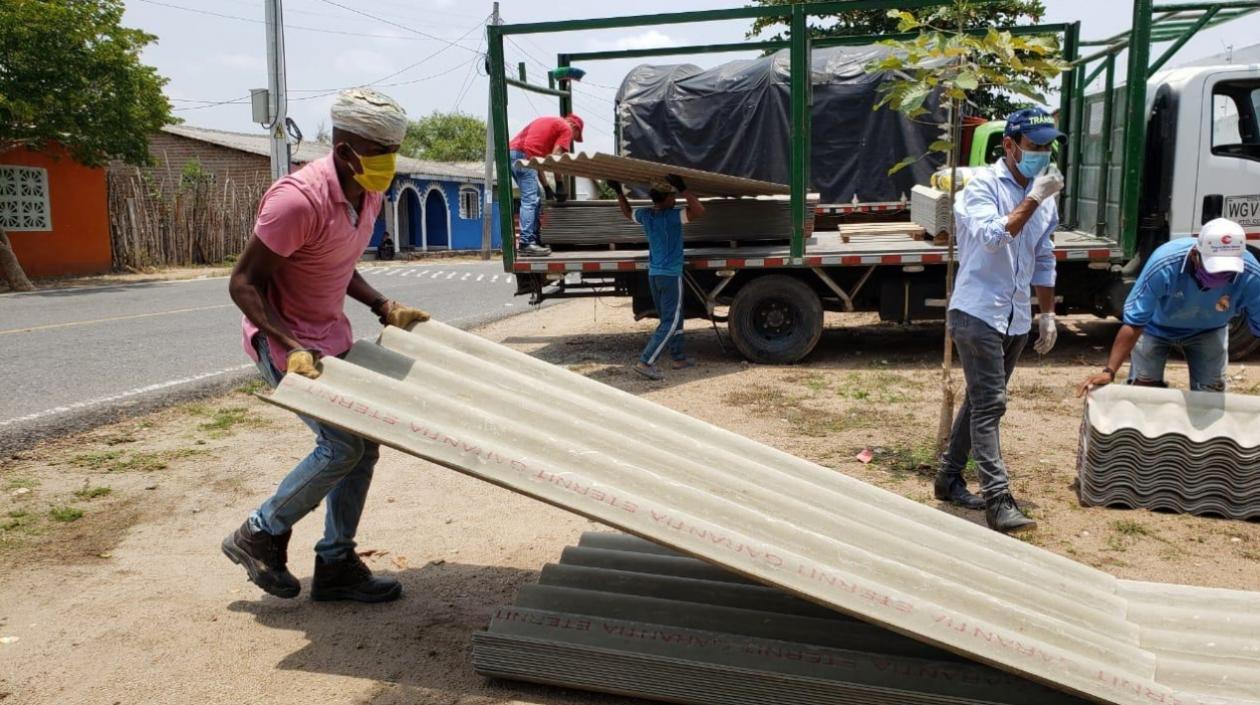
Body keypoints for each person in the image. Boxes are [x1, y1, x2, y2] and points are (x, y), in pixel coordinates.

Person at [221, 88, 430, 603]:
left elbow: (335, 258)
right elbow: (243, 283)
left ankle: (335, 563)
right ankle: (259, 531)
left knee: (364, 448)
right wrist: (288, 343)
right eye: (379, 154)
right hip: (285, 346)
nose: (388, 165)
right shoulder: (296, 200)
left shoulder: (368, 189)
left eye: (391, 153)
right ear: (343, 151)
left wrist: (382, 305)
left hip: (330, 339)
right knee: (341, 446)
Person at [934, 107, 1065, 534]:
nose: (1042, 155)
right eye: (1033, 147)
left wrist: (1047, 314)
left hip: (1015, 318)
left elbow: (1044, 255)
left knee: (979, 400)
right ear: (1009, 146)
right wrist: (1033, 198)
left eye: (1048, 148)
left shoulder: (1045, 198)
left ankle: (948, 478)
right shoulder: (982, 188)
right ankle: (998, 499)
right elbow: (994, 238)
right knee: (991, 404)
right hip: (977, 312)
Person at [1078, 218, 1260, 396]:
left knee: (1211, 395)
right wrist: (1109, 372)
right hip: (1154, 328)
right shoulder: (1164, 264)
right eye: (1214, 268)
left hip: (1209, 331)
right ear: (1195, 255)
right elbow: (1134, 323)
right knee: (1145, 392)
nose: (1220, 276)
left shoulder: (1251, 275)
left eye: (1227, 270)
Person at [608, 174, 704, 380]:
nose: (675, 199)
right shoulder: (672, 216)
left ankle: (678, 358)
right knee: (670, 321)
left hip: (655, 274)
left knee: (672, 319)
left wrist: (618, 193)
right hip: (670, 275)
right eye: (673, 195)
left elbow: (627, 213)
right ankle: (645, 362)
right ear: (666, 199)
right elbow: (699, 210)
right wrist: (685, 189)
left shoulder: (646, 215)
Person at [508, 113, 584, 257]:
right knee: (530, 199)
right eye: (576, 136)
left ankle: (534, 239)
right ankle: (526, 243)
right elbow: (555, 157)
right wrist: (560, 183)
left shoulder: (548, 124)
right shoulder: (566, 128)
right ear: (574, 126)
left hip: (513, 154)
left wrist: (547, 187)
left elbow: (538, 164)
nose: (571, 140)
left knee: (537, 196)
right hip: (524, 155)